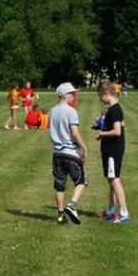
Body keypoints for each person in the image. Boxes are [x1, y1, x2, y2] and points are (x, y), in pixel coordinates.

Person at [50, 83, 88, 224]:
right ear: (64, 95)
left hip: (56, 153)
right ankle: (72, 205)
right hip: (70, 152)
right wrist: (84, 148)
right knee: (81, 181)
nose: (74, 96)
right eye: (72, 93)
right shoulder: (71, 111)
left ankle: (60, 215)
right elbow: (74, 132)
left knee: (59, 185)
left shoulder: (53, 111)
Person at [95, 81, 131, 223]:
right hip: (111, 149)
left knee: (114, 180)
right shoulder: (113, 108)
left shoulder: (114, 110)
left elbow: (117, 131)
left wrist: (101, 134)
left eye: (100, 96)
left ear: (106, 94)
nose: (100, 99)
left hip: (112, 150)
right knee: (112, 179)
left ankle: (123, 213)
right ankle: (110, 209)